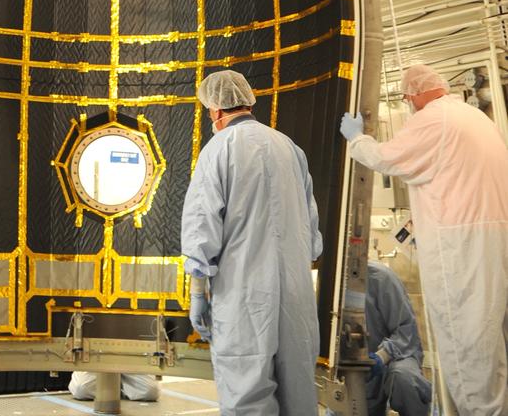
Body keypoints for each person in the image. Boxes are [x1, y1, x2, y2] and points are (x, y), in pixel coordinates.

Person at [341, 63, 508, 416]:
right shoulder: (473, 117)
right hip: (491, 234)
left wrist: (357, 139)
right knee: (492, 340)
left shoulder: (432, 120)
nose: (407, 104)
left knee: (467, 341)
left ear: (413, 95)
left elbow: (386, 157)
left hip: (460, 243)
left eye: (405, 98)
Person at [181, 69, 323, 415]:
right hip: (295, 294)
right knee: (299, 392)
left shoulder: (218, 149)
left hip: (244, 295)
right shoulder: (289, 148)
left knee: (246, 392)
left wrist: (197, 291)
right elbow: (312, 235)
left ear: (215, 111)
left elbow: (202, 227)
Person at [365, 260, 431, 416]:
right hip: (359, 369)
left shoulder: (381, 278)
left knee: (403, 378)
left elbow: (406, 330)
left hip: (398, 355)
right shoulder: (327, 283)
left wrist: (382, 356)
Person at [69, 373, 159, 401]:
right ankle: (111, 382)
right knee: (81, 390)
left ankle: (119, 383)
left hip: (129, 348)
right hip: (96, 350)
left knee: (150, 392)